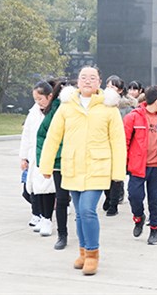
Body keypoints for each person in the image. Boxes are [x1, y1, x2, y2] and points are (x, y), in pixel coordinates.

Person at [39, 66, 127, 276]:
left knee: (88, 210)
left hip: (98, 166)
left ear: (99, 82)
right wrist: (46, 165)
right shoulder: (66, 106)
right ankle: (82, 252)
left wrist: (118, 173)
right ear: (77, 81)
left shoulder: (109, 108)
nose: (88, 81)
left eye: (93, 78)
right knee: (79, 214)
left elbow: (118, 141)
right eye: (83, 77)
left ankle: (93, 254)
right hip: (72, 167)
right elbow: (53, 136)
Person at [123, 85, 157, 245]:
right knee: (134, 196)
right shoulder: (133, 117)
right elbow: (124, 142)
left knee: (155, 200)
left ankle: (155, 229)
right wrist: (122, 164)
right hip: (137, 166)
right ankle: (138, 218)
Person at [36, 79, 71, 249]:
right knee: (62, 199)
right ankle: (62, 234)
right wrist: (45, 163)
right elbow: (44, 136)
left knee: (82, 206)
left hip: (80, 161)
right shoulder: (58, 109)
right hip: (60, 162)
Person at [20, 81, 56, 237]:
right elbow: (27, 136)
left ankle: (47, 219)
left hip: (50, 156)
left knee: (47, 188)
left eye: (40, 99)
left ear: (49, 96)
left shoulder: (55, 112)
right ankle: (40, 216)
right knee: (35, 188)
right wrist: (24, 157)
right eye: (35, 99)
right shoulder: (34, 112)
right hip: (34, 156)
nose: (38, 103)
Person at [103, 75, 137, 216]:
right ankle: (108, 197)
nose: (109, 89)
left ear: (120, 90)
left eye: (113, 87)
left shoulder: (128, 107)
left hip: (121, 143)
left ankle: (113, 204)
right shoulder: (101, 105)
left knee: (117, 175)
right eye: (108, 86)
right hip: (104, 143)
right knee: (105, 174)